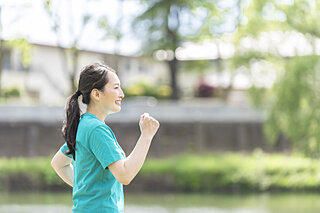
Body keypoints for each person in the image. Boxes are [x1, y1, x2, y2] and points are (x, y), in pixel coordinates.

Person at [51, 62, 160, 213]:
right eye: (116, 87)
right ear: (96, 94)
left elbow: (58, 163)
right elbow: (125, 174)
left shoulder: (83, 125)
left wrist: (89, 190)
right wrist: (147, 135)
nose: (121, 94)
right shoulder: (97, 129)